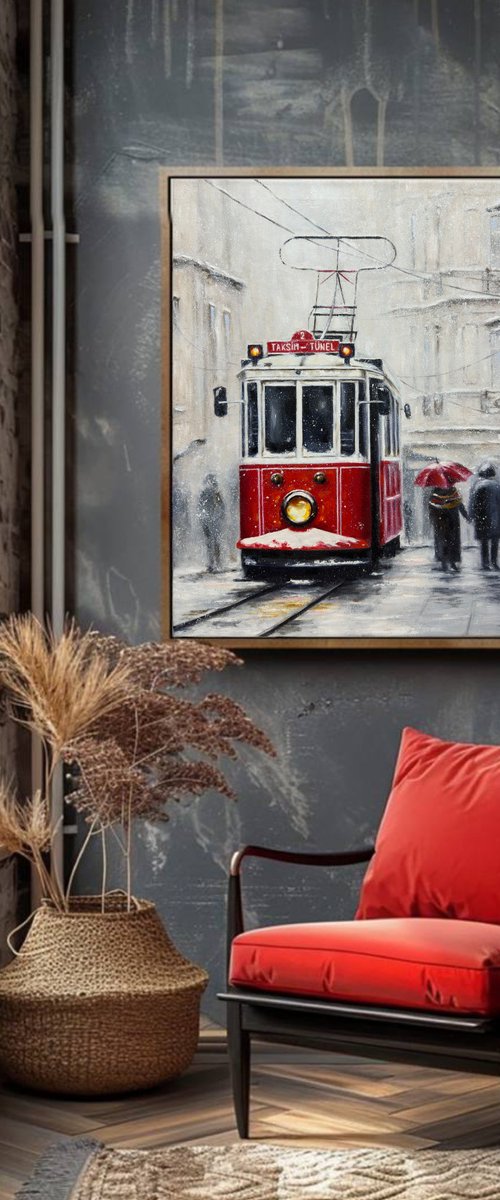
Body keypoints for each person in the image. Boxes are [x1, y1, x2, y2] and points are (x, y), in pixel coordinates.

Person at [428, 485, 468, 573]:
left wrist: (432, 518)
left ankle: (443, 561)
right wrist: (466, 516)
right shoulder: (453, 491)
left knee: (442, 540)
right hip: (452, 520)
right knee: (453, 541)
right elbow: (459, 504)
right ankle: (452, 562)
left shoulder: (435, 491)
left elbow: (431, 506)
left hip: (440, 521)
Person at [469, 464, 500, 570]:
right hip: (496, 518)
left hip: (482, 518)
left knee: (484, 542)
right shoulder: (497, 485)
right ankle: (494, 563)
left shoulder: (477, 486)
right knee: (495, 541)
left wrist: (471, 516)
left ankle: (485, 564)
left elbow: (472, 503)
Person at [197, 473, 225, 573]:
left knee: (209, 542)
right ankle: (216, 563)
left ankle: (211, 563)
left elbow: (200, 506)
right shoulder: (215, 492)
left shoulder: (203, 492)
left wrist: (202, 517)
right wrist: (221, 516)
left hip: (207, 519)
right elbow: (221, 506)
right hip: (213, 519)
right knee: (215, 542)